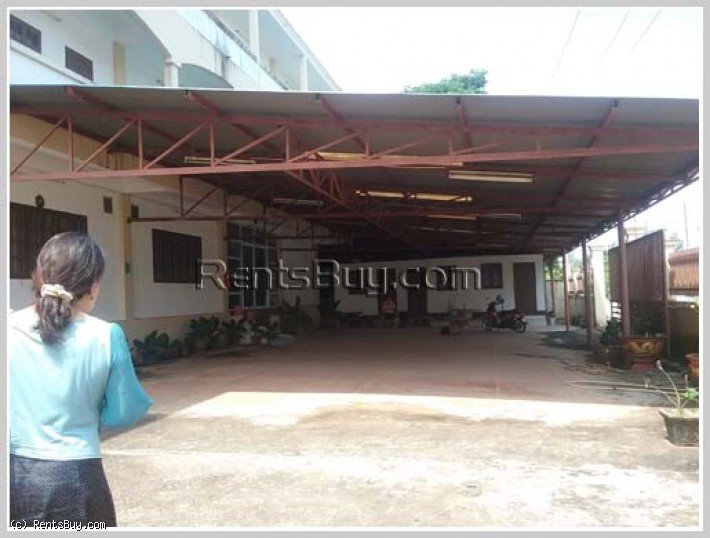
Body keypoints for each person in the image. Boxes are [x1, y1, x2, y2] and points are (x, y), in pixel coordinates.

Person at [9, 232, 153, 527]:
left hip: (13, 473)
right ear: (93, 285)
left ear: (38, 276)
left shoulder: (7, 327)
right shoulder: (106, 335)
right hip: (76, 477)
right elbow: (123, 413)